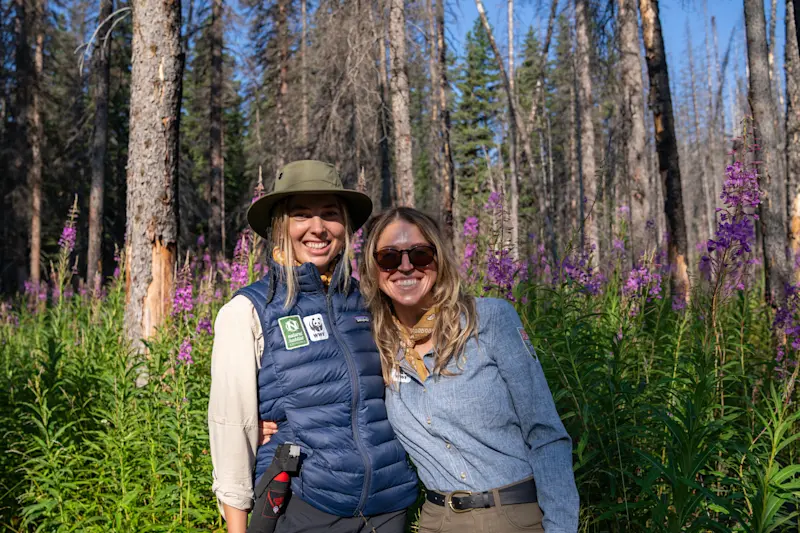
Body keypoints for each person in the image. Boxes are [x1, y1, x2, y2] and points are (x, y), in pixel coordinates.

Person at [208, 161, 418, 533]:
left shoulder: (370, 300)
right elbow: (231, 428)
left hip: (389, 506)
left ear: (346, 227)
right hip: (305, 504)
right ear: (279, 225)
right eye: (301, 214)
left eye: (330, 214)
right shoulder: (248, 311)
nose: (317, 228)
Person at [358, 207, 579, 533]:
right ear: (373, 270)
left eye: (420, 254)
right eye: (389, 258)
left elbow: (546, 436)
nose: (406, 266)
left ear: (439, 259)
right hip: (437, 521)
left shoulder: (489, 320)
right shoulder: (375, 344)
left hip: (514, 518)